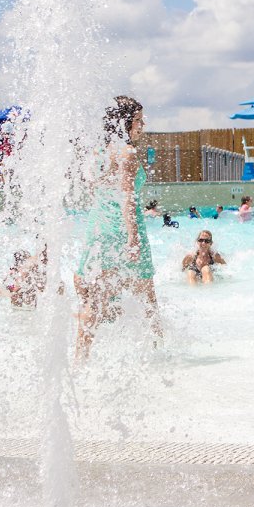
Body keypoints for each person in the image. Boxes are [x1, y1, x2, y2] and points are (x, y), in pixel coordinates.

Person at [74, 96, 162, 360]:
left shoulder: (97, 153)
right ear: (124, 122)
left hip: (97, 227)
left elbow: (93, 190)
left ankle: (81, 357)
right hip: (122, 229)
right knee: (146, 293)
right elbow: (128, 197)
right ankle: (159, 351)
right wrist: (133, 238)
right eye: (137, 120)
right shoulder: (127, 152)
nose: (142, 124)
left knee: (95, 296)